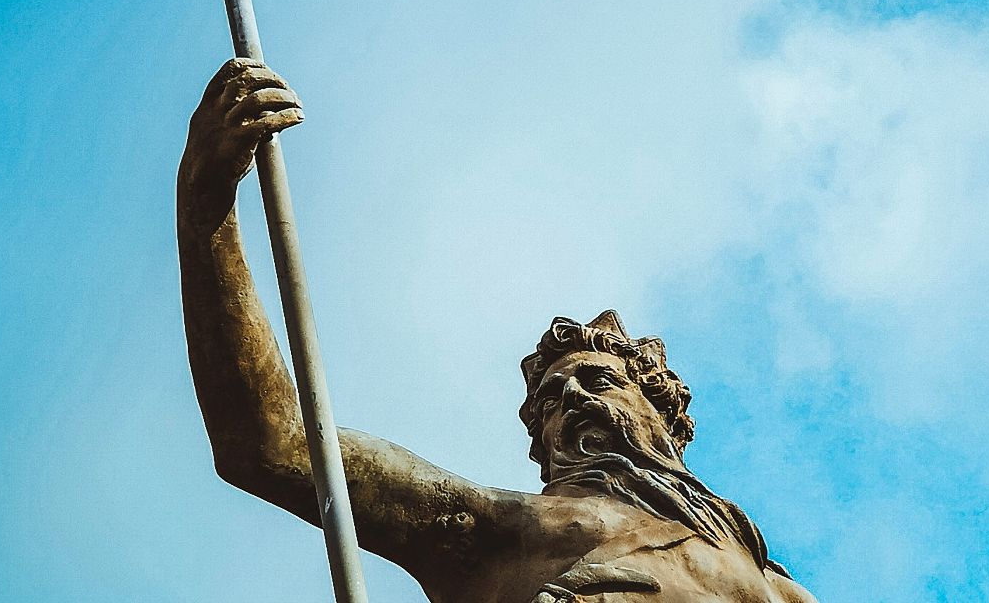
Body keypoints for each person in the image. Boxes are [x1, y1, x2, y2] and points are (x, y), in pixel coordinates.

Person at [176, 58, 820, 603]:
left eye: (596, 381)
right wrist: (205, 205)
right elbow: (272, 444)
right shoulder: (511, 529)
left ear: (667, 414)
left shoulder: (780, 590)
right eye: (547, 404)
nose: (570, 401)